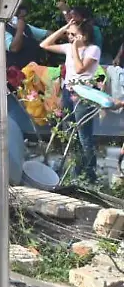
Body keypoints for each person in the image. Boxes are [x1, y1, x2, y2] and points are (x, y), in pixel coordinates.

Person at [40, 19, 102, 181]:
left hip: (84, 94)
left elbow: (81, 69)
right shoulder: (69, 47)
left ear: (85, 35)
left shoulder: (93, 50)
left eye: (74, 34)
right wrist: (63, 29)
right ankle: (76, 171)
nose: (70, 37)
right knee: (69, 132)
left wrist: (74, 47)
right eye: (69, 34)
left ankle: (90, 175)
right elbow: (44, 45)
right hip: (68, 91)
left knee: (84, 136)